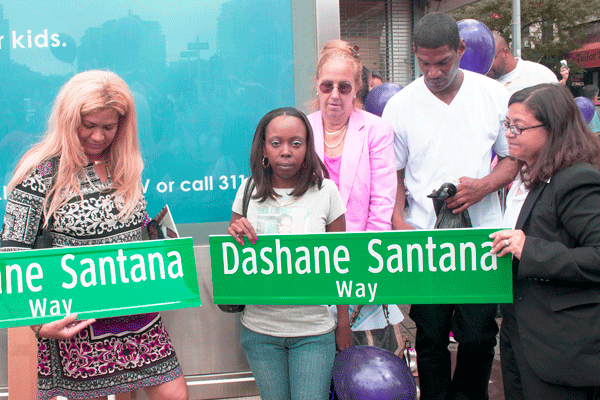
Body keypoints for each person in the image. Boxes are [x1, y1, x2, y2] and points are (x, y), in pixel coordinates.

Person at [0, 70, 188, 400]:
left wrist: (155, 237)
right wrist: (39, 325)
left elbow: (131, 227)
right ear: (69, 118)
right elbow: (11, 252)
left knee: (174, 395)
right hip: (79, 321)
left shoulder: (124, 162)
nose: (99, 136)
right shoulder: (41, 171)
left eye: (109, 126)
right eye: (89, 125)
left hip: (137, 312)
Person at [382, 13, 518, 400]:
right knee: (429, 336)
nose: (434, 71)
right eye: (425, 63)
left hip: (482, 239)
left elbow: (513, 157)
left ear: (461, 50)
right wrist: (397, 221)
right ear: (414, 54)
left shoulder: (492, 96)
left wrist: (486, 185)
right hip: (426, 237)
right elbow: (394, 171)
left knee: (478, 336)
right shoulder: (401, 105)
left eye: (443, 61)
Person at [227, 107, 352, 400]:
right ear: (263, 149)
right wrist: (235, 234)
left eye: (296, 143)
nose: (286, 151)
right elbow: (233, 259)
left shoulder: (327, 192)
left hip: (313, 331)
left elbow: (343, 264)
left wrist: (343, 323)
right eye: (276, 143)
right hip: (259, 331)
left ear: (308, 147)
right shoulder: (247, 191)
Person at [490, 83, 600, 399]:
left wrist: (530, 249)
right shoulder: (531, 176)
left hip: (562, 350)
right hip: (521, 337)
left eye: (518, 127)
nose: (508, 133)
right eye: (507, 125)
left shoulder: (577, 179)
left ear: (552, 129)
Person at [308, 39, 403, 345]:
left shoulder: (376, 130)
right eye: (327, 86)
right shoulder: (300, 130)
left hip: (361, 261)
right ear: (317, 86)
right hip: (311, 263)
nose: (335, 95)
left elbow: (382, 203)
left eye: (344, 87)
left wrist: (363, 267)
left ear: (358, 88)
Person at [487, 32, 558, 94]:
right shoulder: (483, 83)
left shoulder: (540, 75)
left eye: (490, 59)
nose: (486, 66)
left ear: (505, 52)